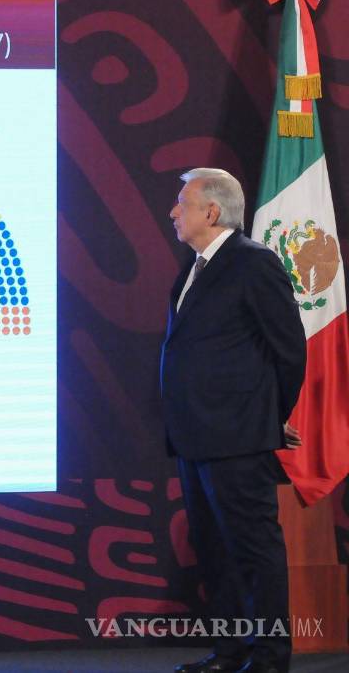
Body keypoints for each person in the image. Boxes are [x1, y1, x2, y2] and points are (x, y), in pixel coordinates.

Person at [161, 168, 306, 673]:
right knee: (215, 550)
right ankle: (229, 652)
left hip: (238, 437)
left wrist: (269, 418)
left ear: (211, 211)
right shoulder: (196, 266)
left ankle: (270, 657)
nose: (173, 212)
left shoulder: (253, 263)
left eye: (182, 203)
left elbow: (289, 349)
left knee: (253, 550)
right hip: (194, 435)